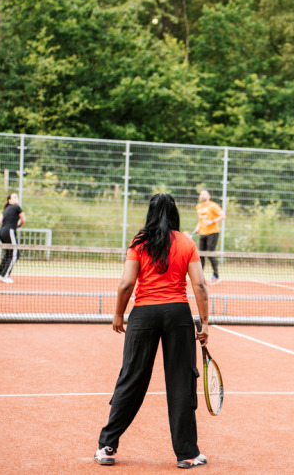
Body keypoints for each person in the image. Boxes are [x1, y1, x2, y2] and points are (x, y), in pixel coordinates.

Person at [95, 193, 210, 469]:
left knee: (131, 378)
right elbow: (200, 285)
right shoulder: (187, 242)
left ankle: (107, 447)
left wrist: (118, 314)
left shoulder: (139, 242)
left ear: (150, 213)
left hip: (143, 314)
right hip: (178, 315)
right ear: (175, 214)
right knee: (181, 382)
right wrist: (205, 323)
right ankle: (187, 454)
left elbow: (126, 284)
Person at [192, 190, 226, 285]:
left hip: (213, 232)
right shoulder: (198, 207)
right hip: (203, 233)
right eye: (201, 194)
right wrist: (197, 229)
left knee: (210, 254)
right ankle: (200, 277)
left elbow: (223, 216)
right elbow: (200, 221)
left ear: (209, 196)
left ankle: (216, 276)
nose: (202, 196)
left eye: (204, 194)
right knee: (201, 255)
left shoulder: (213, 205)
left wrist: (212, 222)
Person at [0, 192, 26, 284]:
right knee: (15, 254)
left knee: (8, 253)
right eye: (14, 197)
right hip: (9, 231)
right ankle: (5, 275)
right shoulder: (17, 208)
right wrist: (17, 226)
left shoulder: (5, 209)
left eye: (17, 197)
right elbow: (24, 220)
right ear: (9, 200)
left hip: (2, 232)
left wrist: (7, 225)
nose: (16, 198)